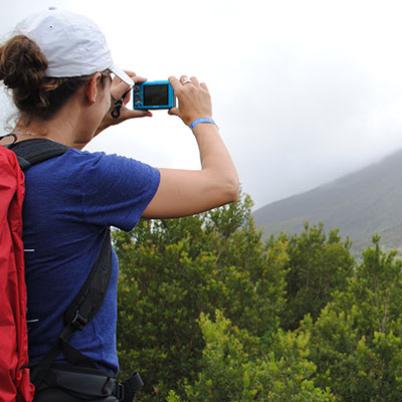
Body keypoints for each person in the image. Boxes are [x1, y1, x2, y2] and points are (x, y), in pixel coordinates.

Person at [0, 7, 239, 402]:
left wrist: (95, 121)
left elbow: (47, 161)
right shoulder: (92, 179)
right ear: (94, 87)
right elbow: (224, 185)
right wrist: (201, 118)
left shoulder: (11, 165)